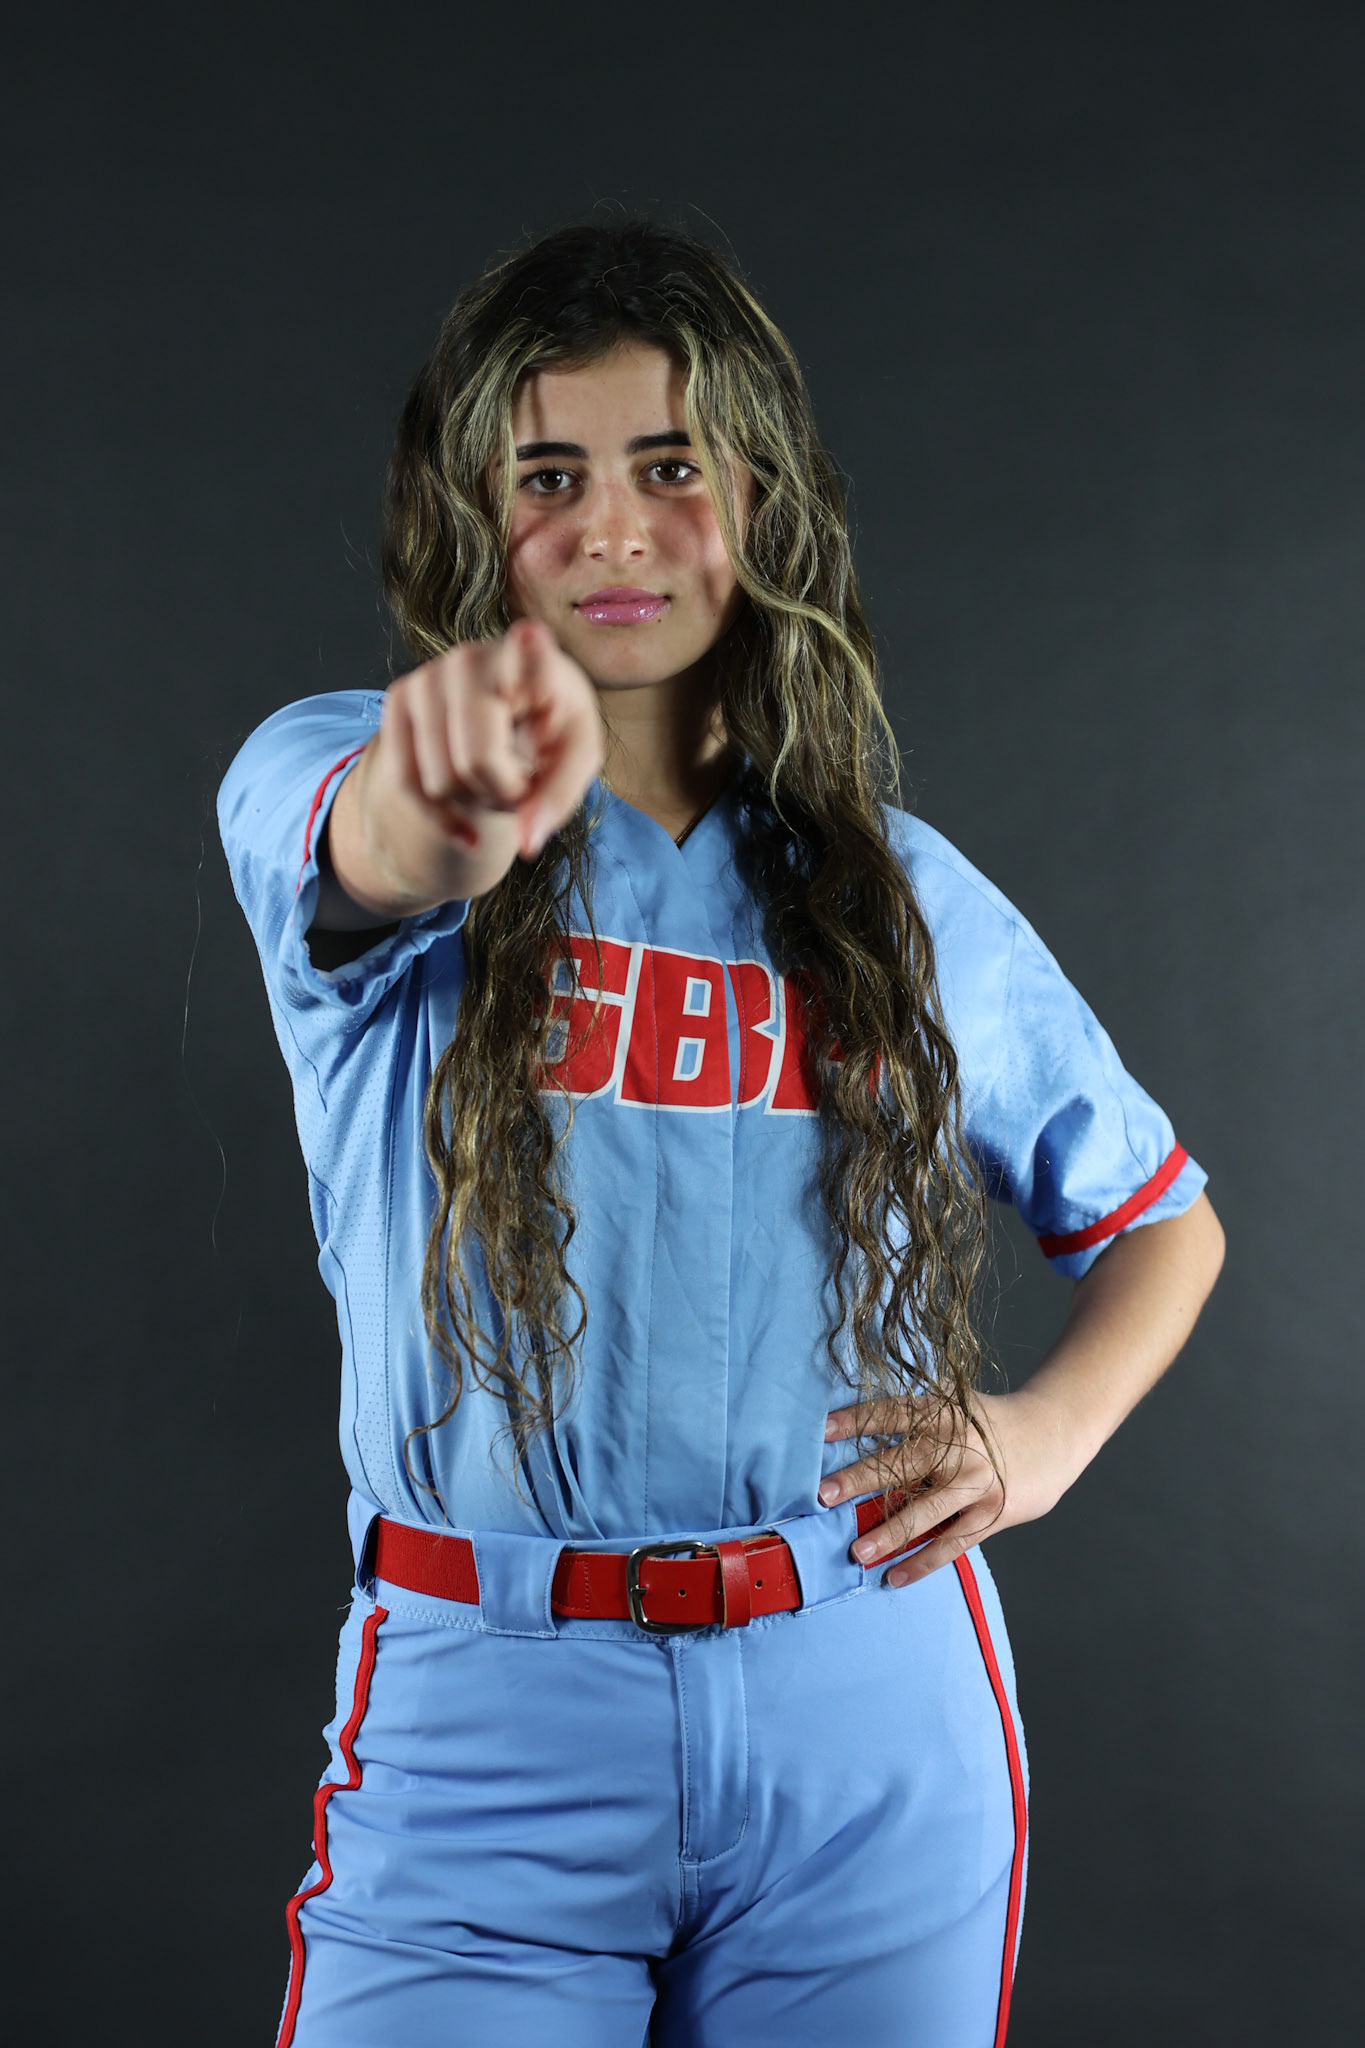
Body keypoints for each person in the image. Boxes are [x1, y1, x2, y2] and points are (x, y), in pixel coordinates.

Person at [217, 216, 1225, 2048]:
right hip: (493, 1702)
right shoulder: (323, 761)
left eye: (668, 466)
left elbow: (1166, 1218)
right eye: (548, 475)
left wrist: (1039, 1437)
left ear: (756, 503)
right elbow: (383, 844)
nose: (612, 526)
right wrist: (449, 797)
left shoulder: (895, 894)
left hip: (864, 1700)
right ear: (472, 516)